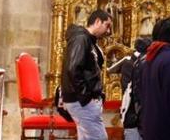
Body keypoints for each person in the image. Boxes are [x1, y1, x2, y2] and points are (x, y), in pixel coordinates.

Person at [61, 9, 112, 140]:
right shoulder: (81, 39)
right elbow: (73, 69)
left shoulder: (89, 41)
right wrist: (86, 97)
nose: (109, 31)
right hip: (81, 100)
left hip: (81, 100)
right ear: (97, 21)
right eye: (107, 25)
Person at [121, 38, 151, 140]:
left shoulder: (137, 62)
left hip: (138, 117)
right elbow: (130, 90)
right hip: (134, 116)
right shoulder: (132, 63)